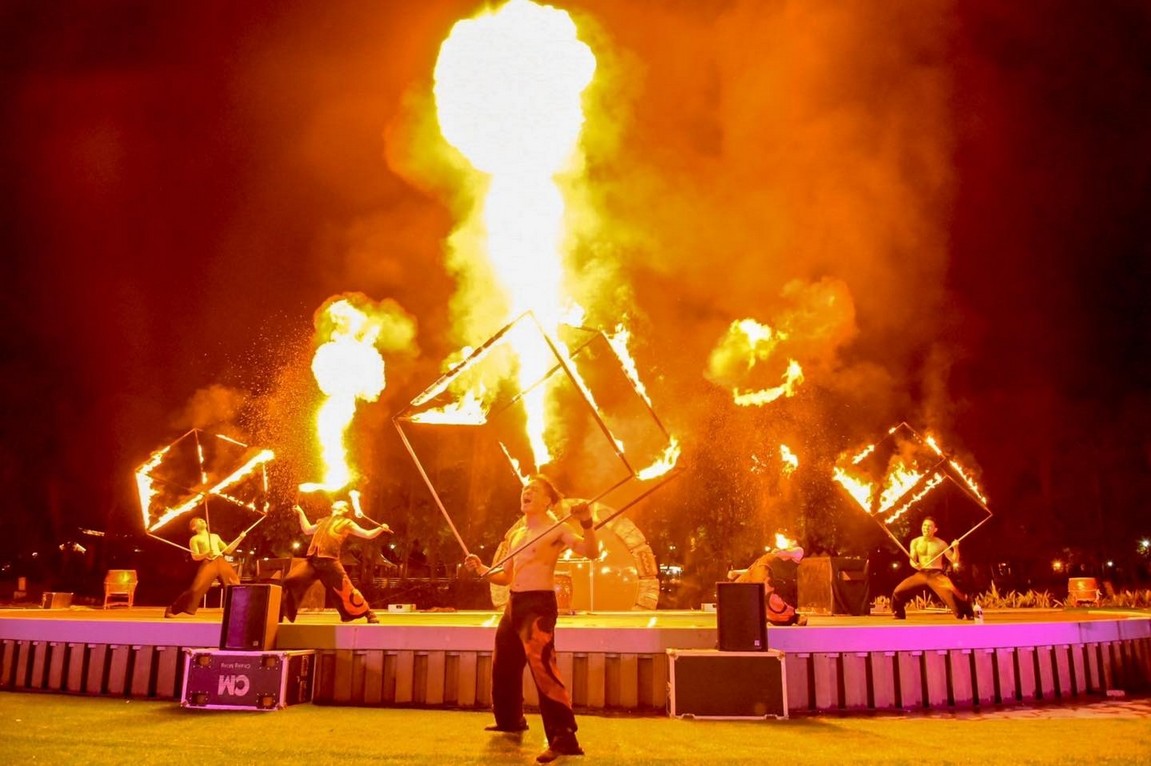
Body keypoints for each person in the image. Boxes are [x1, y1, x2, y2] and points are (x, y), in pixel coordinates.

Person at [464, 474, 597, 765]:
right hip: (514, 603)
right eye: (525, 489)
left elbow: (592, 552)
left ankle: (564, 738)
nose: (526, 492)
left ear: (548, 500)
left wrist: (587, 521)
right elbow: (506, 576)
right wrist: (482, 569)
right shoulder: (517, 535)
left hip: (538, 605)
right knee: (504, 664)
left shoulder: (557, 530)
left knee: (543, 668)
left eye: (534, 490)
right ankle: (510, 720)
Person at [281, 499, 391, 624]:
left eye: (340, 502)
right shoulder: (323, 520)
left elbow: (367, 534)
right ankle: (285, 612)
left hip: (330, 562)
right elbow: (307, 530)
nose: (335, 502)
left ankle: (368, 613)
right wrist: (301, 513)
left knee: (346, 589)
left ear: (344, 509)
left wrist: (380, 529)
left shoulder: (347, 523)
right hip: (312, 561)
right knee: (291, 580)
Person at [891, 516, 975, 620]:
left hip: (936, 574)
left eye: (929, 526)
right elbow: (912, 559)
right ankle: (898, 613)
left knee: (953, 593)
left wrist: (956, 548)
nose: (926, 528)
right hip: (921, 573)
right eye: (924, 525)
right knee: (898, 591)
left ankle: (967, 612)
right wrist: (915, 564)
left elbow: (954, 560)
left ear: (935, 529)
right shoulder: (915, 542)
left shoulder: (941, 543)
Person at [164, 517, 246, 618]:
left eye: (203, 519)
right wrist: (205, 554)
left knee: (235, 584)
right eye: (199, 521)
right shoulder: (194, 539)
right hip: (208, 562)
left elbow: (228, 550)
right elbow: (195, 557)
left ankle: (240, 611)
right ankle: (172, 609)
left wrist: (240, 538)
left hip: (221, 560)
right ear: (194, 527)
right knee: (196, 588)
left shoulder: (215, 536)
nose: (202, 520)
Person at [728, 538, 807, 626]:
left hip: (766, 577)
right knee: (744, 588)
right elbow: (753, 570)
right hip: (762, 572)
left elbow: (784, 554)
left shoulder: (798, 551)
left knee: (767, 598)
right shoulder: (770, 557)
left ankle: (792, 617)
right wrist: (736, 572)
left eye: (792, 541)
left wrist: (779, 551)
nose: (789, 542)